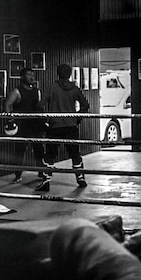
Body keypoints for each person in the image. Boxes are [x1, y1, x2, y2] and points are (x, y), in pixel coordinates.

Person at [40, 62, 90, 190]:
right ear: (70, 74)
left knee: (50, 154)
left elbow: (40, 105)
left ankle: (46, 180)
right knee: (75, 153)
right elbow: (85, 105)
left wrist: (47, 119)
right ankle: (80, 179)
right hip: (71, 126)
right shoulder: (74, 88)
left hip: (55, 126)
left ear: (58, 73)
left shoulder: (52, 87)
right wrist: (77, 118)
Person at [5, 67, 48, 185]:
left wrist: (43, 119)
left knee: (39, 149)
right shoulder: (17, 91)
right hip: (22, 125)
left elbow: (39, 107)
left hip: (35, 124)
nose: (31, 77)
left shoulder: (36, 91)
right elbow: (8, 104)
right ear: (22, 77)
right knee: (19, 151)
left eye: (33, 75)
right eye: (29, 75)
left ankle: (41, 172)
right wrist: (11, 120)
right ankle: (17, 175)